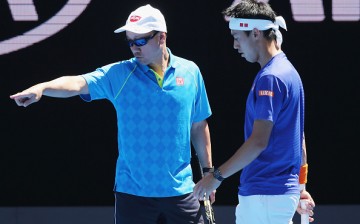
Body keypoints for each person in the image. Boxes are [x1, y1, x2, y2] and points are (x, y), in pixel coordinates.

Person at [10, 4, 214, 224]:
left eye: (141, 41)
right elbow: (79, 83)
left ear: (161, 38)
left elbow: (198, 125)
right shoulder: (120, 74)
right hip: (133, 195)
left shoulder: (191, 72)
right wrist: (43, 88)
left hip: (182, 192)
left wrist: (208, 172)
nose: (134, 48)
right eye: (130, 41)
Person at [193, 0, 315, 223]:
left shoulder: (270, 77)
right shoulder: (289, 72)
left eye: (238, 37)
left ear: (256, 33)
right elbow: (300, 138)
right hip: (276, 196)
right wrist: (300, 187)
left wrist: (216, 176)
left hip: (264, 197)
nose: (235, 45)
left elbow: (259, 141)